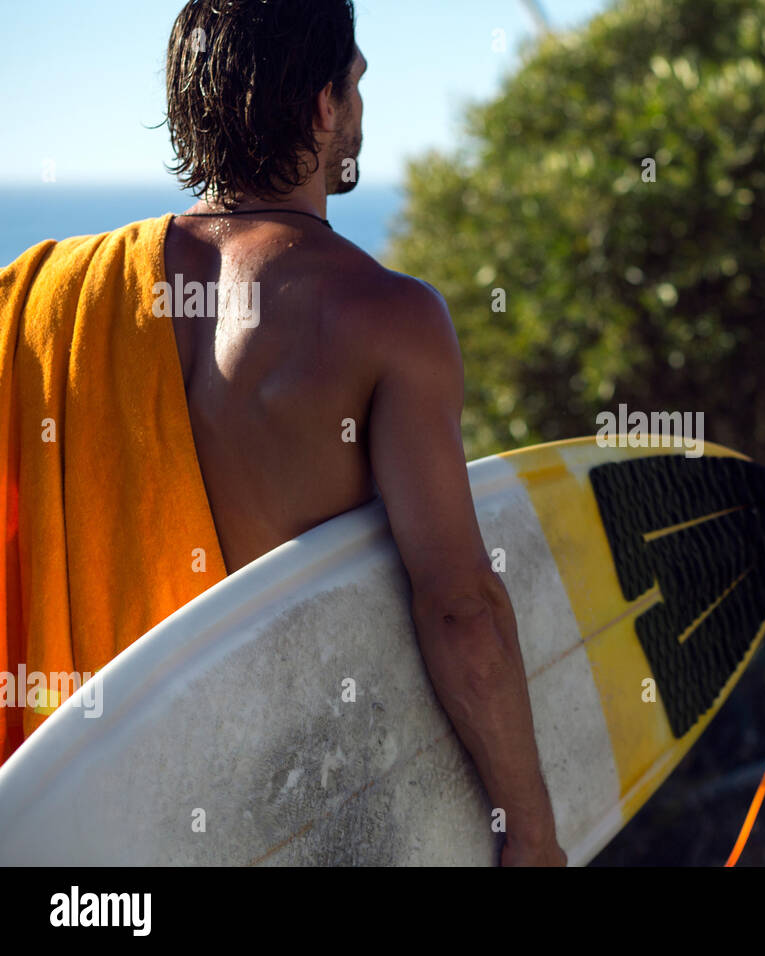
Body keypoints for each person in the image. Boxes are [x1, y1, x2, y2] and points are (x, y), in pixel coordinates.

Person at [1, 0, 564, 866]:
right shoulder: (386, 316)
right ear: (322, 106)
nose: (362, 110)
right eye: (357, 84)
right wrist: (531, 836)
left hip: (77, 832)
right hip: (293, 822)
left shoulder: (41, 302)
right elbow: (458, 607)